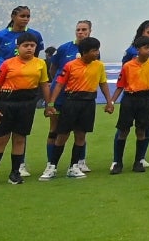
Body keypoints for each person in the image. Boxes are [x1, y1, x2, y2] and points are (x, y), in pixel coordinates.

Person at [0, 6, 45, 182]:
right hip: (0, 89)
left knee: (21, 130)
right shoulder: (0, 36)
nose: (25, 19)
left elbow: (35, 62)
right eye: (22, 16)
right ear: (13, 17)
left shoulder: (35, 35)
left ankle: (20, 166)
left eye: (28, 16)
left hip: (24, 91)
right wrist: (0, 78)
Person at [0, 37, 50, 186]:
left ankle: (15, 173)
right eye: (26, 45)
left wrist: (49, 104)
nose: (29, 48)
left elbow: (44, 84)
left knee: (20, 139)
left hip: (27, 104)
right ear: (18, 47)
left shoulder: (40, 64)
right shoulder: (8, 64)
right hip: (7, 103)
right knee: (1, 139)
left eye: (32, 45)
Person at [42, 36, 110, 179]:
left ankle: (73, 167)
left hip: (89, 103)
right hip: (71, 102)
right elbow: (59, 84)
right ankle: (52, 166)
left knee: (81, 135)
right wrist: (51, 103)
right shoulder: (70, 65)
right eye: (94, 50)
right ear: (84, 52)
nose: (97, 53)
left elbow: (103, 83)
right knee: (62, 135)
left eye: (97, 50)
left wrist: (109, 101)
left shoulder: (99, 66)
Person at [109, 35, 149, 174]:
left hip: (146, 99)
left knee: (141, 130)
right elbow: (120, 85)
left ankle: (138, 161)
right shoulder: (128, 66)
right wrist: (111, 102)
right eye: (146, 48)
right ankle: (118, 162)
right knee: (123, 130)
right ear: (138, 49)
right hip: (130, 99)